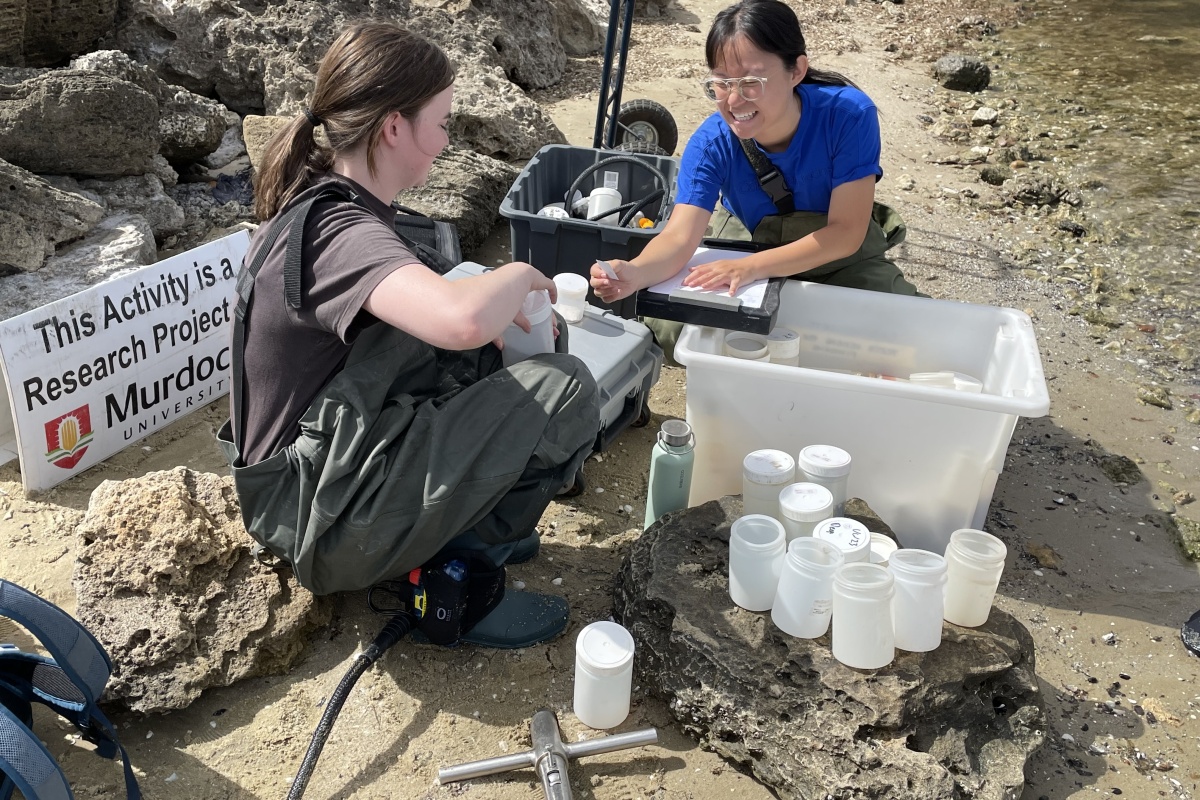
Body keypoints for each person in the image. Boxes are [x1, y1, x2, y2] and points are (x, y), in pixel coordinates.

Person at [216, 21, 600, 648]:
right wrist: (521, 272)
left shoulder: (330, 201)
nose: (447, 141)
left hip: (318, 478)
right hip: (314, 517)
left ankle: (458, 525)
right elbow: (461, 318)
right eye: (442, 123)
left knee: (483, 357)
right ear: (394, 127)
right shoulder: (340, 235)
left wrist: (488, 330)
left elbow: (446, 322)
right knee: (564, 390)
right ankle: (463, 577)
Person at [589, 0, 921, 361]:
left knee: (907, 329)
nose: (733, 100)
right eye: (721, 83)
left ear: (796, 70)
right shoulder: (711, 142)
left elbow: (846, 233)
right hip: (752, 241)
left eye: (751, 82)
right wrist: (635, 272)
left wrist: (748, 269)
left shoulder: (848, 116)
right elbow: (680, 237)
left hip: (840, 255)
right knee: (669, 329)